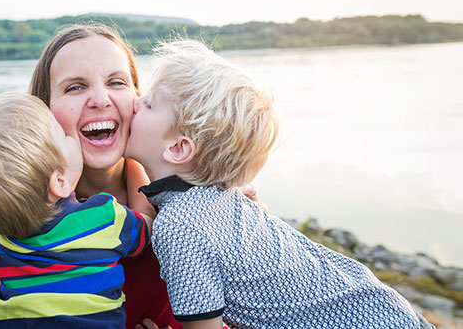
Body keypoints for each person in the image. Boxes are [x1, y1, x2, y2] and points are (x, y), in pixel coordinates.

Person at [124, 39, 435, 329]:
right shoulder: (222, 198)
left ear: (178, 148)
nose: (136, 103)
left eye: (149, 104)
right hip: (387, 310)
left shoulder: (179, 226)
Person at [0, 24, 183, 329]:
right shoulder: (19, 215)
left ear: (137, 99)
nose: (100, 99)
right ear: (43, 111)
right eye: (75, 87)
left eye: (117, 82)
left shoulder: (186, 201)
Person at [0, 92, 154, 328]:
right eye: (62, 135)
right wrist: (135, 161)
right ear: (59, 182)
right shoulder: (102, 217)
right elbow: (146, 224)